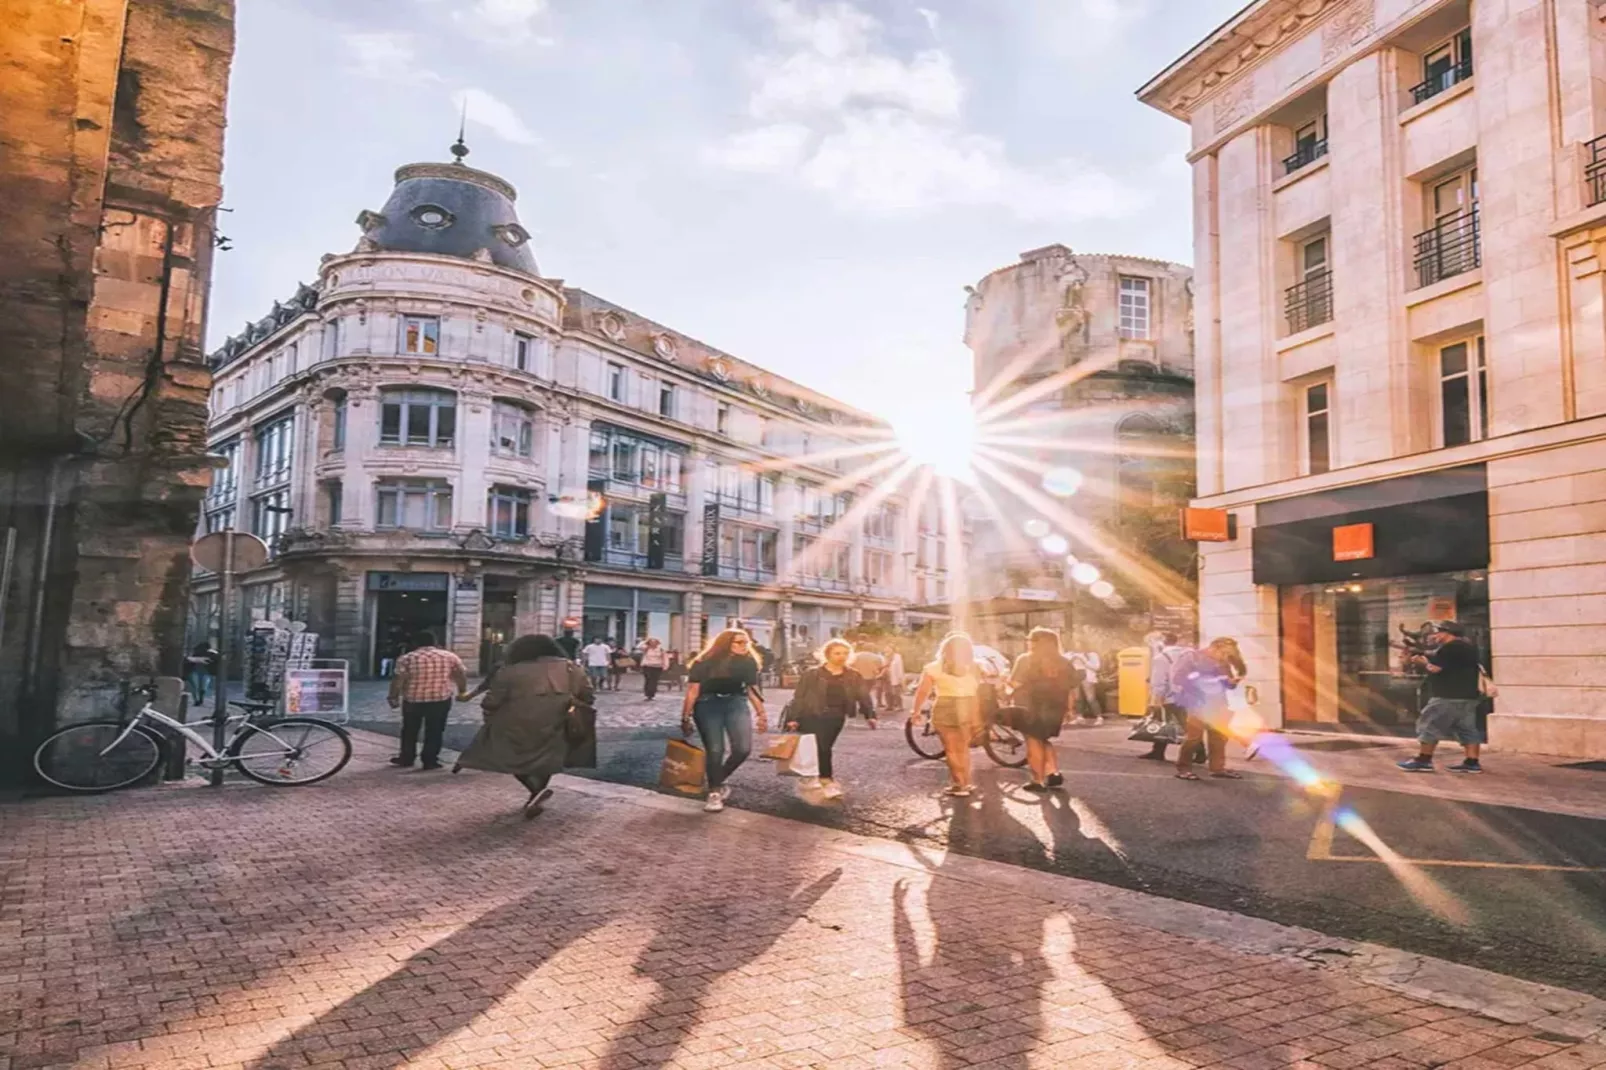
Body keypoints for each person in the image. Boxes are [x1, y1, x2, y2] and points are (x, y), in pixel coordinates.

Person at [455, 634, 595, 818]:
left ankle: (534, 790)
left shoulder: (509, 671)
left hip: (515, 724)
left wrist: (490, 716)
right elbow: (588, 696)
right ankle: (537, 793)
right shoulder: (572, 668)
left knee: (510, 758)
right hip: (558, 722)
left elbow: (491, 701)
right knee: (547, 760)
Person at [681, 628, 767, 812]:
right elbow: (692, 691)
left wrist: (761, 713)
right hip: (707, 705)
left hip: (735, 703)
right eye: (740, 642)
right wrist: (685, 717)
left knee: (743, 749)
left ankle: (717, 778)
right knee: (715, 749)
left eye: (747, 643)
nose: (745, 646)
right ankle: (714, 793)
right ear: (726, 643)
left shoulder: (748, 662)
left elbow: (752, 689)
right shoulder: (703, 662)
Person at [785, 638, 877, 799]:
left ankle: (819, 778)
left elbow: (863, 696)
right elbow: (799, 696)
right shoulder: (812, 674)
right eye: (837, 653)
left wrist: (870, 715)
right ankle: (824, 779)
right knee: (817, 747)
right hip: (811, 714)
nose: (842, 656)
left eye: (845, 653)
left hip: (835, 716)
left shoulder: (853, 675)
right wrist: (793, 717)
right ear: (827, 655)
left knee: (823, 746)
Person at [1398, 621, 1485, 774]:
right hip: (1468, 695)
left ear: (1448, 633)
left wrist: (1421, 663)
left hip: (1448, 695)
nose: (1435, 635)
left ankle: (1423, 760)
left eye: (1438, 632)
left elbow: (1436, 669)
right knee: (1467, 728)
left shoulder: (1450, 648)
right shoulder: (1469, 647)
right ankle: (1472, 762)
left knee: (1429, 725)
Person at [911, 632, 985, 797]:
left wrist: (915, 711)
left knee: (951, 750)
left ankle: (959, 785)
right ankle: (967, 782)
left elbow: (923, 691)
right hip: (969, 705)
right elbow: (978, 690)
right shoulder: (976, 667)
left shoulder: (933, 667)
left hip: (945, 705)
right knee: (963, 748)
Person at [1007, 628, 1076, 792]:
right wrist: (1069, 709)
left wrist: (1005, 680)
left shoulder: (1026, 660)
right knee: (1044, 738)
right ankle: (1053, 772)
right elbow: (1070, 689)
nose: (1028, 642)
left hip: (1030, 705)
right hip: (1055, 706)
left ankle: (1037, 780)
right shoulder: (1064, 662)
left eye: (1030, 640)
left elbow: (1016, 683)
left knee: (1033, 741)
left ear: (1036, 643)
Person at [387, 630, 468, 771]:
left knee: (409, 730)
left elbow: (398, 680)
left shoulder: (407, 658)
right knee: (435, 730)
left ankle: (407, 757)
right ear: (435, 642)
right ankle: (430, 760)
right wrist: (462, 691)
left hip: (413, 700)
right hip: (440, 699)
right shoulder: (449, 657)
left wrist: (393, 697)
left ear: (415, 643)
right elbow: (460, 675)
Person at [1169, 637, 1246, 781]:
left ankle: (1217, 768)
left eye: (1227, 655)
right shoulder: (1192, 657)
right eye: (1223, 653)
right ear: (1214, 647)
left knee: (1219, 737)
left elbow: (1227, 684)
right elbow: (1178, 678)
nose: (1224, 657)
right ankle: (1183, 768)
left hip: (1218, 704)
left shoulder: (1222, 662)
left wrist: (1232, 682)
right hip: (1197, 703)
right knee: (1194, 738)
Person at [1140, 632, 1191, 762]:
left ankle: (1199, 751)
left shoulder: (1161, 657)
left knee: (1164, 722)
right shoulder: (1187, 654)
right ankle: (1158, 750)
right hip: (1187, 694)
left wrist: (1158, 698)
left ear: (1162, 642)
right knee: (1181, 723)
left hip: (1169, 696)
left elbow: (1159, 680)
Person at [185, 641, 219, 707]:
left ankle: (199, 699)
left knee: (201, 688)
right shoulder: (198, 653)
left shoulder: (210, 653)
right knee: (197, 687)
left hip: (204, 673)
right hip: (197, 672)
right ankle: (197, 700)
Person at [881, 645, 906, 712]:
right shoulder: (884, 657)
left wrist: (900, 677)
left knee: (896, 693)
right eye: (886, 648)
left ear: (893, 649)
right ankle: (889, 706)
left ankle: (900, 706)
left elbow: (900, 667)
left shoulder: (897, 657)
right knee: (887, 692)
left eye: (889, 648)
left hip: (894, 677)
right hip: (886, 677)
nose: (887, 649)